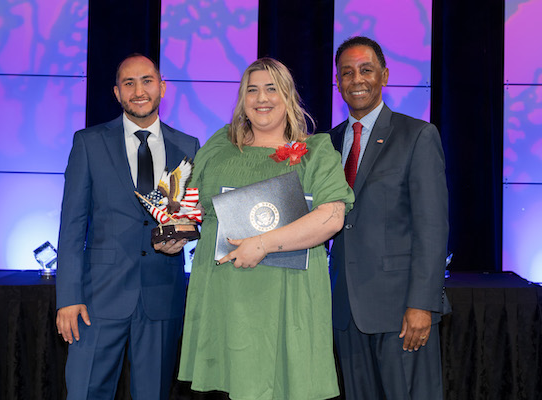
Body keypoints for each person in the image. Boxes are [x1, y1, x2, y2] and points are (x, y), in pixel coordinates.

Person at [176, 58, 354, 400]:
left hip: (287, 297)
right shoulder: (219, 146)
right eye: (252, 90)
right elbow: (193, 211)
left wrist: (262, 244)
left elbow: (332, 217)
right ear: (243, 100)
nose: (262, 98)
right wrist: (175, 233)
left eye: (272, 89)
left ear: (288, 96)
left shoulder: (316, 152)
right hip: (224, 294)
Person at [55, 54, 200, 400]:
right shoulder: (88, 143)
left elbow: (191, 215)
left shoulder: (188, 146)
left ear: (162, 87)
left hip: (161, 295)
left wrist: (183, 236)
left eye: (147, 81)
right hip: (97, 298)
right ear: (117, 93)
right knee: (85, 392)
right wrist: (68, 297)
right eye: (129, 83)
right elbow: (71, 226)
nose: (139, 90)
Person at [328, 36, 449, 399]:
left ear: (385, 75)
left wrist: (422, 304)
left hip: (401, 311)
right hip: (346, 310)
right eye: (346, 73)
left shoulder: (417, 136)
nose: (357, 79)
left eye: (366, 70)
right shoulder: (326, 144)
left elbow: (432, 227)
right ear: (337, 83)